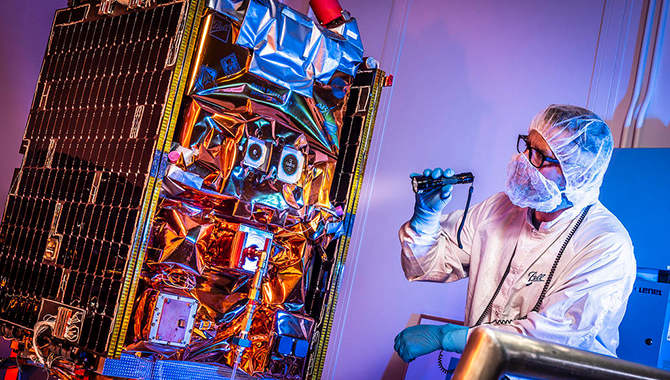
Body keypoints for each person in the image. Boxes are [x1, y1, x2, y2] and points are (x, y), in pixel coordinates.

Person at [394, 105, 636, 366]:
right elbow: (429, 267)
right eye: (526, 147)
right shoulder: (501, 208)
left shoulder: (605, 244)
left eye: (540, 156)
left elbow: (554, 341)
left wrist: (447, 337)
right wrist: (426, 218)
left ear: (578, 174)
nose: (523, 161)